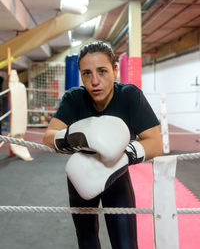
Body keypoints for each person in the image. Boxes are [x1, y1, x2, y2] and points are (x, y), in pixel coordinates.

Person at [43, 41, 162, 249]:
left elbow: (155, 143)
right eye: (86, 73)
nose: (94, 81)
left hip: (117, 177)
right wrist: (75, 137)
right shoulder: (74, 98)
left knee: (125, 244)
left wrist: (120, 156)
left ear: (115, 70)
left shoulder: (130, 96)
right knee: (87, 241)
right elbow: (48, 136)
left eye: (102, 71)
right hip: (80, 177)